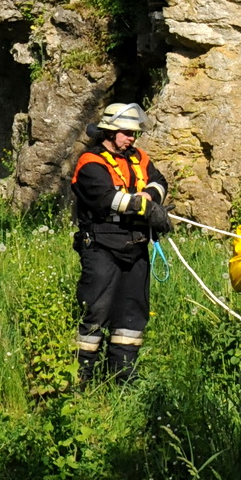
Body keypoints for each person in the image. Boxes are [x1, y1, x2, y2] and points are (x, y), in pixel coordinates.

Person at [71, 102, 170, 384]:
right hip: (102, 246)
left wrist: (150, 197)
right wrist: (147, 207)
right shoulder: (89, 162)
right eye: (126, 133)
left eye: (134, 134)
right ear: (110, 131)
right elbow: (108, 199)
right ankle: (81, 377)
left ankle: (123, 376)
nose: (131, 139)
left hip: (135, 245)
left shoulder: (139, 157)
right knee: (95, 311)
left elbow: (159, 181)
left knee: (132, 313)